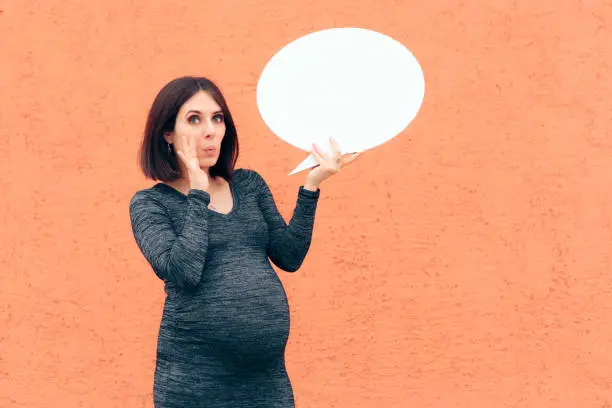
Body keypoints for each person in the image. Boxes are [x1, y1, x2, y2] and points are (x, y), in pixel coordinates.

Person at [129, 76, 359, 407]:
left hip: (266, 381)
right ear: (168, 132)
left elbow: (289, 256)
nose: (210, 130)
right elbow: (183, 271)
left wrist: (311, 185)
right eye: (194, 119)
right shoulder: (150, 204)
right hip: (195, 384)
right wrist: (198, 192)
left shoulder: (248, 185)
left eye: (217, 118)